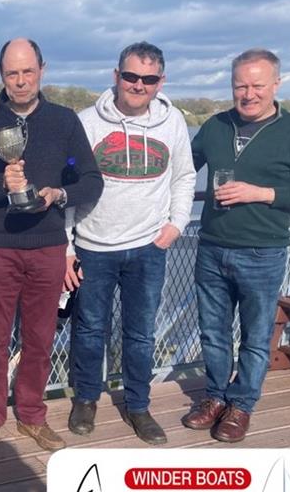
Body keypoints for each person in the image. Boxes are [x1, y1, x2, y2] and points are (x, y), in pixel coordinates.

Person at [0, 38, 103, 454]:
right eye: (11, 73)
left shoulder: (64, 121)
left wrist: (59, 194)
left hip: (47, 247)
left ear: (42, 69)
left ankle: (32, 415)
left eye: (27, 72)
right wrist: (0, 184)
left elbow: (91, 180)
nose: (20, 82)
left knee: (40, 338)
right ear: (0, 75)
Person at [184, 49, 290, 442]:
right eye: (240, 85)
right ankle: (214, 396)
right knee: (212, 331)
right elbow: (182, 171)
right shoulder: (215, 126)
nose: (248, 94)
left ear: (276, 85)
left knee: (254, 333)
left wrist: (260, 192)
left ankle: (242, 404)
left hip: (262, 251)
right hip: (211, 245)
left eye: (257, 85)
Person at [65, 42, 196, 445]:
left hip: (147, 248)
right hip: (93, 245)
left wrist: (176, 224)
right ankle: (86, 398)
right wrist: (67, 246)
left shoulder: (173, 123)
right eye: (131, 76)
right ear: (116, 76)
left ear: (161, 82)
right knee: (89, 330)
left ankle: (138, 405)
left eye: (148, 78)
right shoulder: (86, 123)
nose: (138, 85)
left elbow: (184, 177)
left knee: (141, 333)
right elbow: (68, 186)